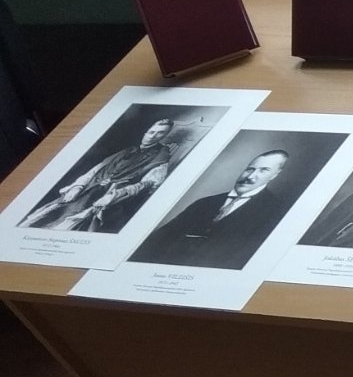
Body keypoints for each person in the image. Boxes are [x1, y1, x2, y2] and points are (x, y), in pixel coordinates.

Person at [131, 149, 292, 270]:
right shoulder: (204, 203)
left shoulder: (276, 212)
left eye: (264, 170)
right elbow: (160, 238)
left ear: (275, 175)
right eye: (250, 169)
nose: (250, 177)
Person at [21, 116, 183, 233]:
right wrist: (78, 186)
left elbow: (148, 183)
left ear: (165, 136)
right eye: (151, 131)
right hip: (87, 189)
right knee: (46, 216)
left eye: (160, 133)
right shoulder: (127, 150)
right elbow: (95, 170)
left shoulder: (161, 156)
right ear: (145, 132)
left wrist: (113, 196)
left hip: (112, 197)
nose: (153, 136)